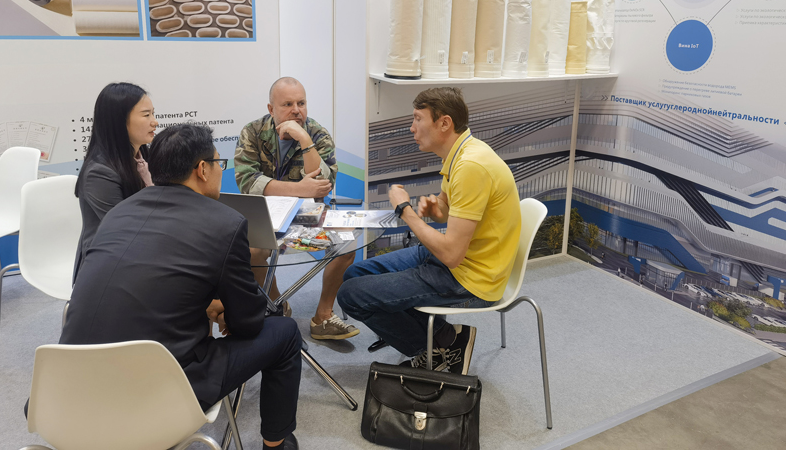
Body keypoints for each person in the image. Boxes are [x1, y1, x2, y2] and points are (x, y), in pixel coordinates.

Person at [61, 124, 302, 450]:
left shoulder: (118, 213)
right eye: (218, 163)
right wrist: (227, 310)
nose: (220, 171)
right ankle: (277, 445)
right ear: (202, 169)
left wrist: (206, 303)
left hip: (68, 391)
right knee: (285, 332)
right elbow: (248, 323)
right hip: (157, 393)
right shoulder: (225, 223)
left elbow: (150, 281)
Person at [338, 87, 522, 375]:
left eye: (417, 119)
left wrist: (405, 210)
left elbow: (451, 255)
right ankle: (445, 336)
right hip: (463, 261)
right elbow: (451, 208)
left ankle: (434, 350)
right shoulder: (462, 152)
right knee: (354, 275)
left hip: (471, 278)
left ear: (444, 123)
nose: (412, 128)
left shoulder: (470, 166)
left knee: (350, 296)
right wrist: (439, 209)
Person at [235, 77, 358, 340]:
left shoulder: (317, 133)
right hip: (265, 214)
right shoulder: (252, 132)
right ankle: (276, 304)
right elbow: (248, 182)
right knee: (252, 250)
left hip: (307, 214)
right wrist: (299, 189)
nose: (296, 110)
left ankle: (323, 316)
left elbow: (323, 184)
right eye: (288, 104)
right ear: (271, 109)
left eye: (301, 103)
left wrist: (304, 138)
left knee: (348, 242)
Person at [72, 82, 157, 282]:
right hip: (109, 265)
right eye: (146, 115)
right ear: (119, 121)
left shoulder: (142, 157)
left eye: (153, 114)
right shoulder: (98, 173)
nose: (154, 122)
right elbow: (128, 231)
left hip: (141, 252)